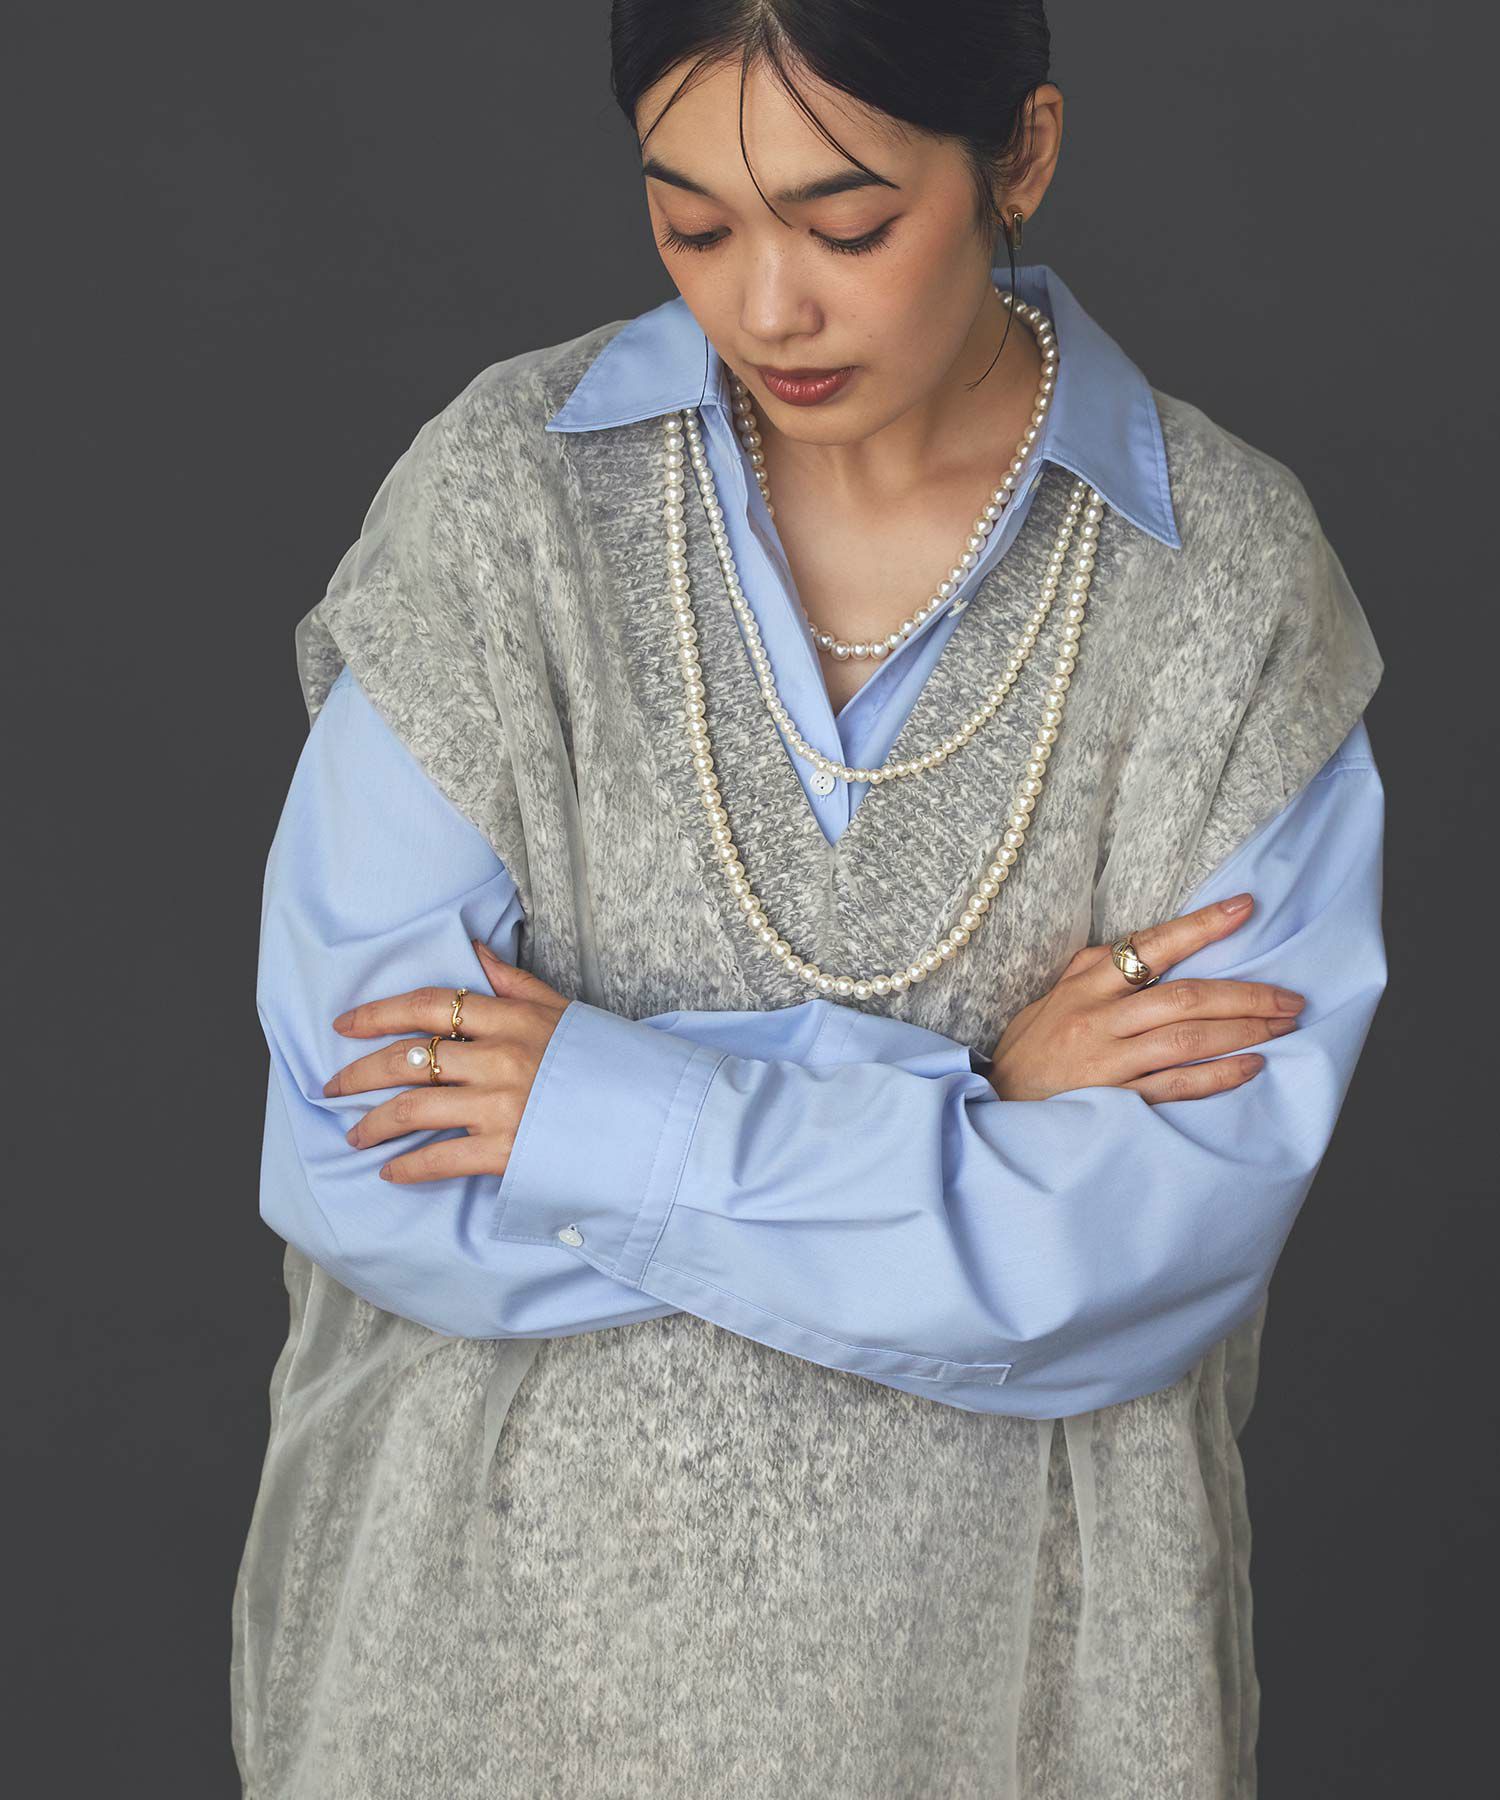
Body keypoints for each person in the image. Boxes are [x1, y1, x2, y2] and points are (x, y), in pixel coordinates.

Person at [234, 6, 1386, 1796]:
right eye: (691, 224)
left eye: (847, 225)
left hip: (1020, 1700)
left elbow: (1141, 1252)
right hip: (465, 1685)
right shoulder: (503, 506)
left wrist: (588, 1111)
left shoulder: (1223, 588)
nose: (766, 306)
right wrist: (978, 1102)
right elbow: (366, 1145)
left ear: (1021, 155)